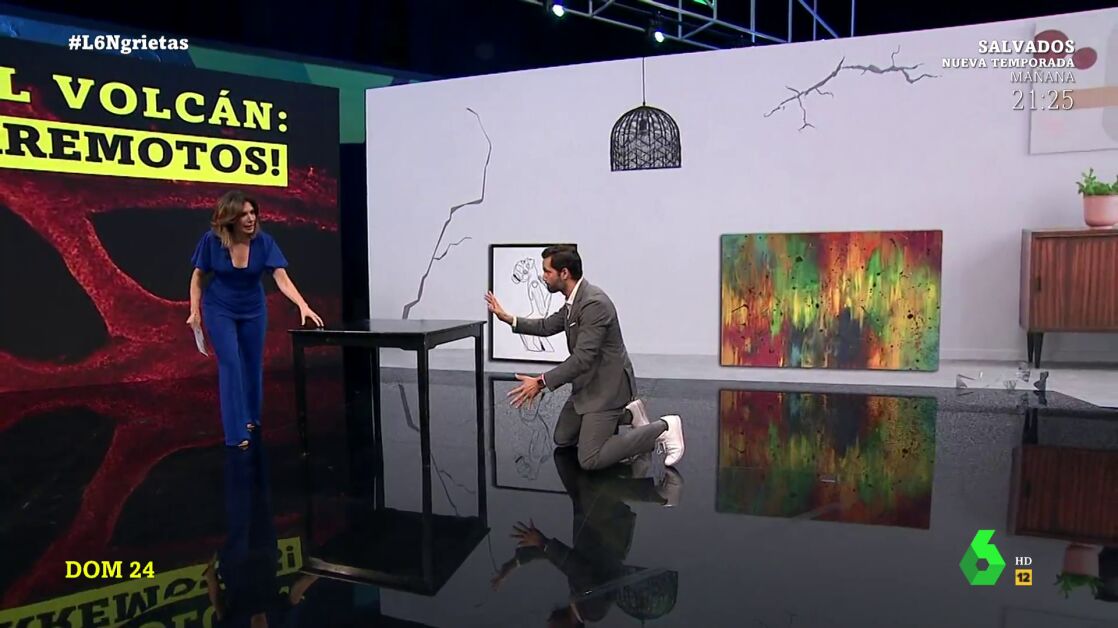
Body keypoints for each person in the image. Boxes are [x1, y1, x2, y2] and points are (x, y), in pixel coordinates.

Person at [485, 245, 683, 470]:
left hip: (607, 388)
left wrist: (540, 382)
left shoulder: (594, 303)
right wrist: (508, 318)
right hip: (587, 383)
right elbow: (546, 326)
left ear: (564, 273)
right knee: (563, 438)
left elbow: (582, 359)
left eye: (547, 271)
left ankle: (664, 428)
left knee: (590, 459)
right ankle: (629, 415)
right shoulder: (574, 300)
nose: (543, 276)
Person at [188, 190, 323, 450]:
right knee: (230, 363)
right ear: (230, 218)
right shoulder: (212, 241)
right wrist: (195, 310)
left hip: (253, 308)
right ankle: (235, 433)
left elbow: (282, 278)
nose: (250, 219)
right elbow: (197, 276)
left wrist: (302, 305)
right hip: (219, 307)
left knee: (252, 363)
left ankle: (250, 417)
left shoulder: (264, 242)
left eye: (253, 213)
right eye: (243, 214)